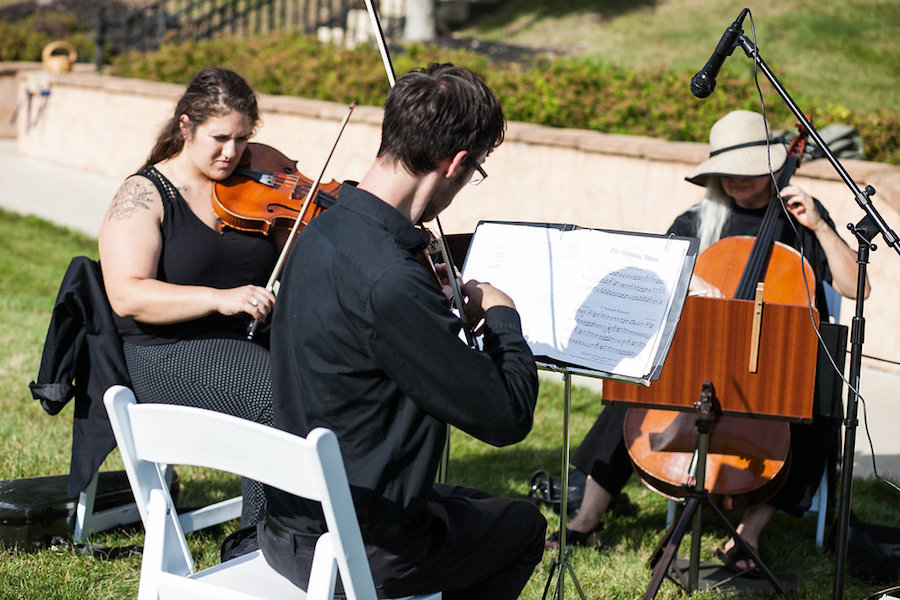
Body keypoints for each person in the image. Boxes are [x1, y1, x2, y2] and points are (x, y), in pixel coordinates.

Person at [260, 63, 546, 599]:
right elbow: (507, 416)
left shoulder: (319, 232)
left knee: (475, 505)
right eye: (475, 169)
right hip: (358, 550)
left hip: (290, 525)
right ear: (455, 162)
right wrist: (502, 317)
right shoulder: (391, 278)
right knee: (522, 527)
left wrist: (434, 320)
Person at [546, 110, 870, 575]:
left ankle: (747, 535)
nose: (734, 180)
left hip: (774, 360)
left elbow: (855, 289)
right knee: (632, 394)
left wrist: (820, 227)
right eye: (727, 171)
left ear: (773, 166)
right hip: (702, 356)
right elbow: (658, 289)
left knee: (813, 407)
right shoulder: (697, 220)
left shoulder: (801, 218)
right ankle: (588, 517)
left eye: (746, 171)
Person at [98, 67, 279, 527]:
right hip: (166, 353)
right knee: (276, 394)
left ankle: (359, 520)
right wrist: (220, 299)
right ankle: (264, 538)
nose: (233, 152)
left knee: (346, 375)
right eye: (220, 138)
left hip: (245, 340)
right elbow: (127, 295)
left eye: (243, 138)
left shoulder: (253, 186)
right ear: (186, 126)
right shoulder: (143, 194)